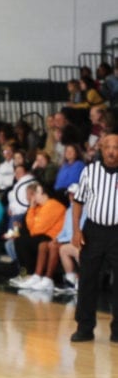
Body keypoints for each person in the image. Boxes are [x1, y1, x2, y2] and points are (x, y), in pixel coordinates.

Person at [70, 131, 118, 343]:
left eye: (116, 147)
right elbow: (78, 201)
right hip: (93, 231)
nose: (112, 151)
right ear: (101, 149)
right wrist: (76, 230)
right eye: (108, 147)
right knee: (88, 280)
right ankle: (84, 327)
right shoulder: (90, 172)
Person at [9, 182, 66, 289]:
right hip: (41, 235)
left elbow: (36, 229)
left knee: (23, 241)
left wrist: (31, 210)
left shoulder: (53, 205)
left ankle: (30, 275)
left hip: (52, 237)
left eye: (37, 192)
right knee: (19, 239)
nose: (34, 196)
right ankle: (24, 274)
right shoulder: (39, 207)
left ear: (44, 194)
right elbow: (31, 228)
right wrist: (31, 208)